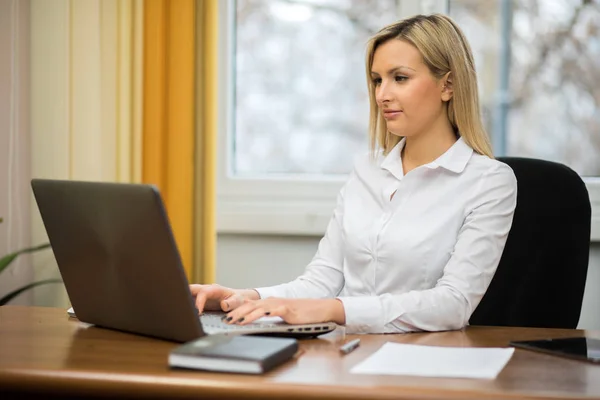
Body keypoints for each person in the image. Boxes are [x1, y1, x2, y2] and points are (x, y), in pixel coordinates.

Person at [190, 14, 517, 334]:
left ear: (448, 85)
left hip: (428, 362)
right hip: (348, 354)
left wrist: (337, 309)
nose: (382, 95)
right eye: (377, 80)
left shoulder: (489, 182)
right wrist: (247, 298)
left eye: (399, 78)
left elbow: (453, 304)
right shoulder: (367, 170)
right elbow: (321, 281)